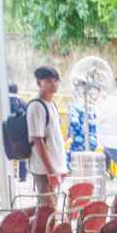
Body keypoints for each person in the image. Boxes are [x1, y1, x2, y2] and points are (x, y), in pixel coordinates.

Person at [27, 66, 68, 205]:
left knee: (52, 210)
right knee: (47, 212)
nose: (54, 83)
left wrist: (61, 167)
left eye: (56, 80)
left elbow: (54, 139)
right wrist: (51, 172)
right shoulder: (36, 107)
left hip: (55, 169)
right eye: (49, 81)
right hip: (44, 171)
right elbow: (38, 142)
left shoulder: (51, 105)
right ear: (39, 83)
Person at [66, 99, 97, 166]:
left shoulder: (79, 108)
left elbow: (74, 123)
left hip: (83, 141)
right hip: (84, 141)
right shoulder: (89, 109)